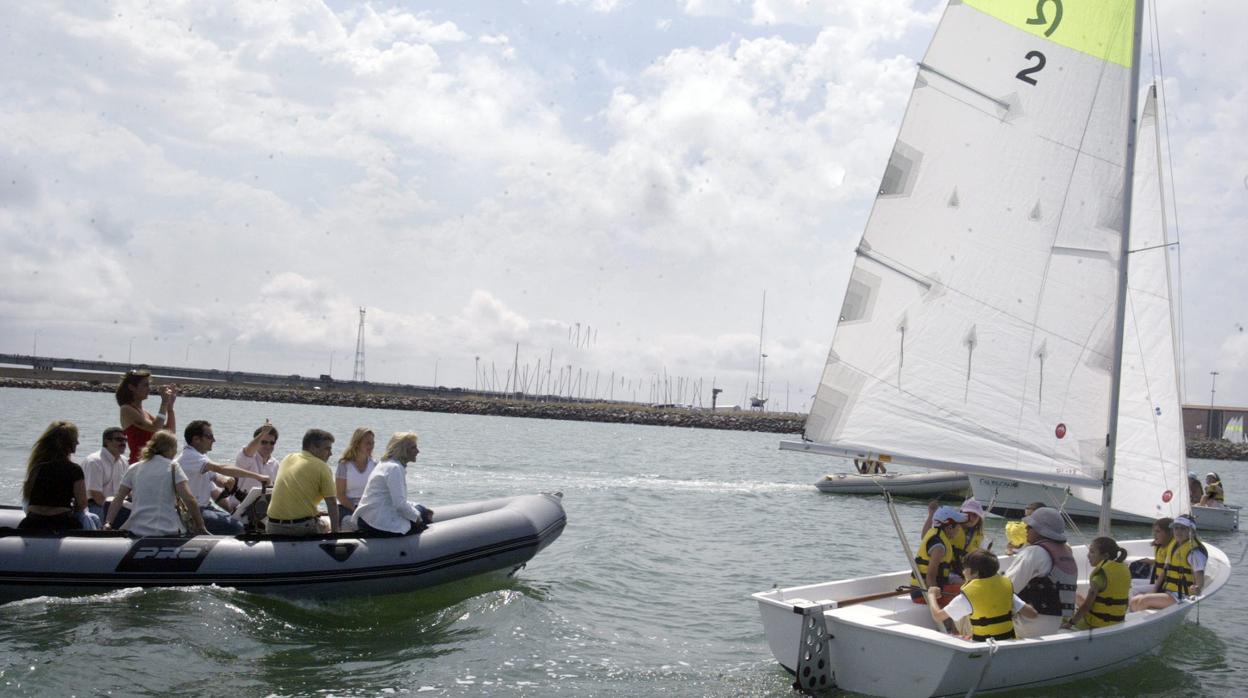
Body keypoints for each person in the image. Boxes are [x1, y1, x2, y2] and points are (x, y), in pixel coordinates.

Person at [104, 430, 207, 537]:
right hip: (167, 530)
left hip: (137, 529)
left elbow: (118, 498)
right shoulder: (173, 467)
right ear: (170, 449)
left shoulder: (134, 468)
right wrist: (201, 526)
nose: (176, 452)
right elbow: (189, 499)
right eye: (175, 448)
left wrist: (108, 522)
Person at [175, 420, 269, 535]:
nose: (214, 440)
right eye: (209, 436)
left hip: (205, 508)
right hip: (192, 511)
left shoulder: (201, 459)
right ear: (196, 439)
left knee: (241, 522)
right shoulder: (190, 456)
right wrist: (258, 477)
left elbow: (217, 482)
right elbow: (221, 467)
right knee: (237, 528)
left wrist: (226, 482)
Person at [926, 550, 1037, 642]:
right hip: (1007, 640)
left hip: (982, 644)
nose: (963, 572)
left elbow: (938, 616)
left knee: (961, 614)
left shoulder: (967, 596)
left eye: (965, 568)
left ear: (974, 572)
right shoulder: (1004, 589)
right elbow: (1032, 614)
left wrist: (931, 595)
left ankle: (961, 635)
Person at [1003, 507, 1076, 637]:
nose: (1025, 529)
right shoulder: (1066, 553)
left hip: (1027, 626)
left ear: (1040, 530)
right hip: (1053, 626)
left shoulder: (1034, 552)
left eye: (1030, 526)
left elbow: (1007, 588)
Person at [354, 432, 435, 537]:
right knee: (423, 514)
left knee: (422, 510)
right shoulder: (395, 468)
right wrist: (418, 519)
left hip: (367, 518)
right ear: (403, 450)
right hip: (377, 523)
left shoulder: (385, 464)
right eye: (413, 448)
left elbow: (393, 499)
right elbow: (400, 505)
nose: (418, 451)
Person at [266, 429, 340, 536]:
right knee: (327, 524)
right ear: (313, 447)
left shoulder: (288, 458)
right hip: (300, 528)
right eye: (327, 449)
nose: (331, 454)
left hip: (273, 526)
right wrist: (335, 535)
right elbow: (332, 503)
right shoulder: (322, 467)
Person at [18, 420, 89, 531]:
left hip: (32, 522)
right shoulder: (74, 470)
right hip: (61, 522)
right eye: (75, 439)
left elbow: (27, 497)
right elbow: (82, 503)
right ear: (69, 443)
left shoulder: (36, 467)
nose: (78, 443)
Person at [1129, 515, 1207, 611]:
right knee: (1135, 600)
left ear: (1191, 531)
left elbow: (1199, 574)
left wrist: (1198, 587)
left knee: (1144, 600)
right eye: (1176, 528)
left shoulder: (1194, 552)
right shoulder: (1174, 546)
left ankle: (1138, 622)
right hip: (1168, 591)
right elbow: (1164, 572)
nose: (1178, 532)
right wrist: (1153, 592)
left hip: (1181, 596)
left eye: (1183, 528)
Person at [1063, 537, 1130, 630]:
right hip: (1117, 622)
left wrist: (1070, 623)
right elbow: (1125, 602)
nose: (1088, 555)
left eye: (1092, 552)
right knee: (1076, 596)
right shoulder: (1124, 569)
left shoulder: (1099, 577)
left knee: (1062, 616)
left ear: (1105, 556)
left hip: (1095, 625)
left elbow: (1087, 606)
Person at [116, 369, 178, 464]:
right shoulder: (126, 409)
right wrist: (164, 402)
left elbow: (170, 432)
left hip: (154, 464)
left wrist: (170, 408)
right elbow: (155, 427)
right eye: (145, 385)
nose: (149, 389)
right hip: (138, 465)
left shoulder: (145, 413)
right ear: (132, 387)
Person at [911, 506, 967, 606]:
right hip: (922, 594)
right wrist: (935, 601)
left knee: (966, 584)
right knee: (969, 593)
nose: (959, 531)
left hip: (923, 590)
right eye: (958, 527)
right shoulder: (939, 547)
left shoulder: (933, 534)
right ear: (949, 528)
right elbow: (930, 576)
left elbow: (923, 535)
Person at [82, 426, 131, 528]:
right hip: (96, 506)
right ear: (106, 441)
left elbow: (129, 491)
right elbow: (96, 496)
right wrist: (116, 511)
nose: (123, 443)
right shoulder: (94, 462)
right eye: (119, 439)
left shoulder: (124, 461)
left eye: (125, 440)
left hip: (118, 506)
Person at [336, 427, 378, 524]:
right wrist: (355, 509)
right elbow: (340, 495)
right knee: (356, 522)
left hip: (367, 507)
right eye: (368, 443)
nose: (371, 446)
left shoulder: (375, 465)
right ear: (357, 444)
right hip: (346, 507)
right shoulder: (344, 465)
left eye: (372, 443)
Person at [233, 422, 280, 499]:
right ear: (257, 441)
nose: (268, 446)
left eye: (272, 443)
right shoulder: (246, 457)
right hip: (239, 505)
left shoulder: (276, 464)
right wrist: (263, 433)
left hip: (262, 506)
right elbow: (248, 451)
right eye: (264, 442)